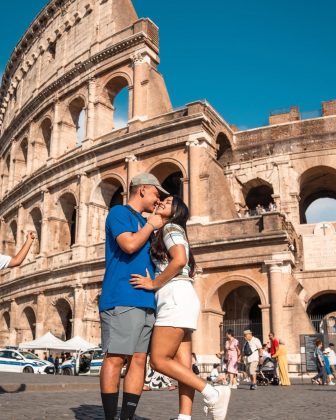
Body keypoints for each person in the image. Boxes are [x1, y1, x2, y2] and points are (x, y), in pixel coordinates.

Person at [130, 195, 231, 420]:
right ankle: (184, 417)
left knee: (158, 359)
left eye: (167, 201)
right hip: (183, 296)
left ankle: (212, 392)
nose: (162, 202)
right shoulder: (173, 230)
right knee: (182, 363)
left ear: (176, 210)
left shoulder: (170, 228)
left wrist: (154, 283)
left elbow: (180, 260)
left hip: (173, 296)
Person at [99, 172, 166, 420]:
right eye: (156, 194)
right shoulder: (119, 213)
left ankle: (126, 417)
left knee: (139, 360)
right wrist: (151, 224)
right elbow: (128, 245)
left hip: (146, 298)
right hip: (122, 296)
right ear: (142, 190)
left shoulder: (149, 221)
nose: (158, 200)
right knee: (116, 358)